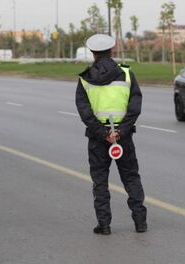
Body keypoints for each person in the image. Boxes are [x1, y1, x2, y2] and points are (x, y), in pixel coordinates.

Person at [75, 34, 147, 235]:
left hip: (98, 140)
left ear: (92, 53)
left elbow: (84, 111)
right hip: (123, 138)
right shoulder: (126, 74)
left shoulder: (85, 79)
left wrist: (102, 133)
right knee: (131, 177)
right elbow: (135, 106)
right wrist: (121, 131)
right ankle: (140, 222)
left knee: (100, 181)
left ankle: (104, 225)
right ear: (112, 50)